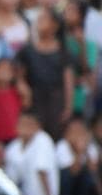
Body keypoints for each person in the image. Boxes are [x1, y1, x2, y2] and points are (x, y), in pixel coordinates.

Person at [17, 9, 74, 140]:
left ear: (55, 25)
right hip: (35, 99)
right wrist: (22, 86)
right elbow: (20, 74)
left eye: (44, 19)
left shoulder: (63, 51)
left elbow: (68, 80)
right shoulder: (28, 50)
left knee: (55, 134)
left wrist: (68, 106)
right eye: (39, 20)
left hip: (56, 100)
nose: (39, 23)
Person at [5, 110, 59, 195]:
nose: (25, 127)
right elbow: (12, 179)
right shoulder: (13, 147)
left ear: (38, 126)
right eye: (22, 124)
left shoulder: (43, 140)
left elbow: (42, 172)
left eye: (29, 124)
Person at [56, 116, 101, 195]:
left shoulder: (91, 146)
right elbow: (73, 171)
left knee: (87, 175)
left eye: (80, 131)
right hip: (66, 185)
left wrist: (85, 151)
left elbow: (93, 170)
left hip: (84, 186)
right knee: (67, 174)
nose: (78, 134)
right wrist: (79, 153)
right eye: (74, 131)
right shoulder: (62, 146)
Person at [0, 57, 23, 147]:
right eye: (0, 69)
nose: (4, 72)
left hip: (16, 138)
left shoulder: (17, 92)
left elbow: (27, 97)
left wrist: (19, 77)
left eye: (8, 70)